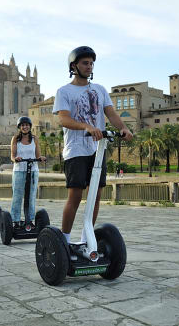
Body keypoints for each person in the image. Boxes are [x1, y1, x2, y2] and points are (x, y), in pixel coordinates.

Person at [53, 46, 133, 245]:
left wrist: (124, 128)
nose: (89, 67)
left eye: (91, 63)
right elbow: (64, 119)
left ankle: (85, 240)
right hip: (75, 151)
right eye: (85, 63)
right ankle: (65, 240)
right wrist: (86, 126)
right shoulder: (64, 91)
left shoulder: (100, 89)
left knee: (95, 197)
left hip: (97, 151)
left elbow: (111, 113)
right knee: (76, 196)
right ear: (74, 66)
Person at [10, 116, 46, 230]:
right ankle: (15, 220)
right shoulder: (15, 139)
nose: (25, 127)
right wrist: (16, 158)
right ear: (19, 127)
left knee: (31, 197)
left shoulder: (35, 139)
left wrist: (41, 158)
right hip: (19, 170)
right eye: (22, 125)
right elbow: (12, 156)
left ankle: (29, 220)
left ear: (30, 126)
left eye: (27, 125)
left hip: (33, 170)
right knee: (17, 196)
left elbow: (37, 155)